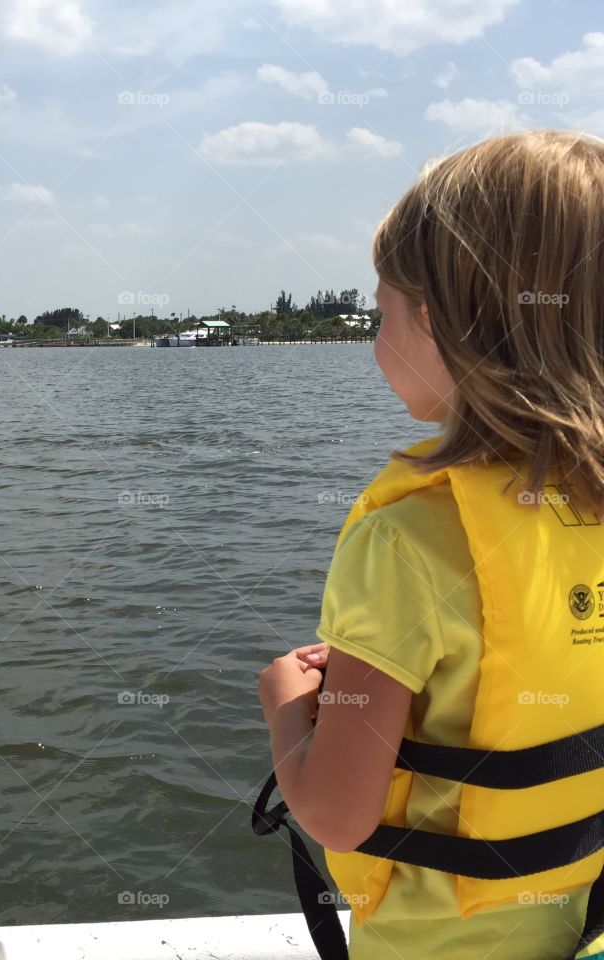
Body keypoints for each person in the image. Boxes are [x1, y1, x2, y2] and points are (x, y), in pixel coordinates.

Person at [258, 129, 604, 960]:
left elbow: (334, 812)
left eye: (382, 314)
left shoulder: (403, 542)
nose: (374, 343)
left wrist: (284, 710)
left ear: (446, 324)